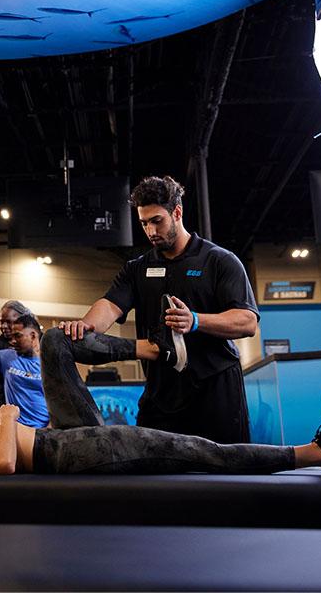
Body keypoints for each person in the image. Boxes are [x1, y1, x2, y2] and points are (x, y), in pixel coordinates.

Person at [0, 326, 321, 477]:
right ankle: (313, 453)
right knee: (193, 448)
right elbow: (2, 466)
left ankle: (145, 348)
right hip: (71, 452)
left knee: (56, 341)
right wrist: (5, 416)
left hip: (59, 437)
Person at [60, 175, 259, 443]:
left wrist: (196, 321)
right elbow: (109, 305)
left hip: (216, 387)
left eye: (157, 221)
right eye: (144, 223)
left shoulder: (220, 261)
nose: (151, 231)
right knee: (155, 475)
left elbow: (247, 322)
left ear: (177, 213)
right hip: (162, 390)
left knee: (226, 476)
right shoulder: (136, 268)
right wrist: (87, 326)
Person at [0, 314, 49, 428]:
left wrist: (49, 430)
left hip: (42, 430)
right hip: (15, 429)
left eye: (18, 336)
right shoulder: (7, 357)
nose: (13, 341)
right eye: (12, 337)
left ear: (33, 335)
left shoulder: (50, 364)